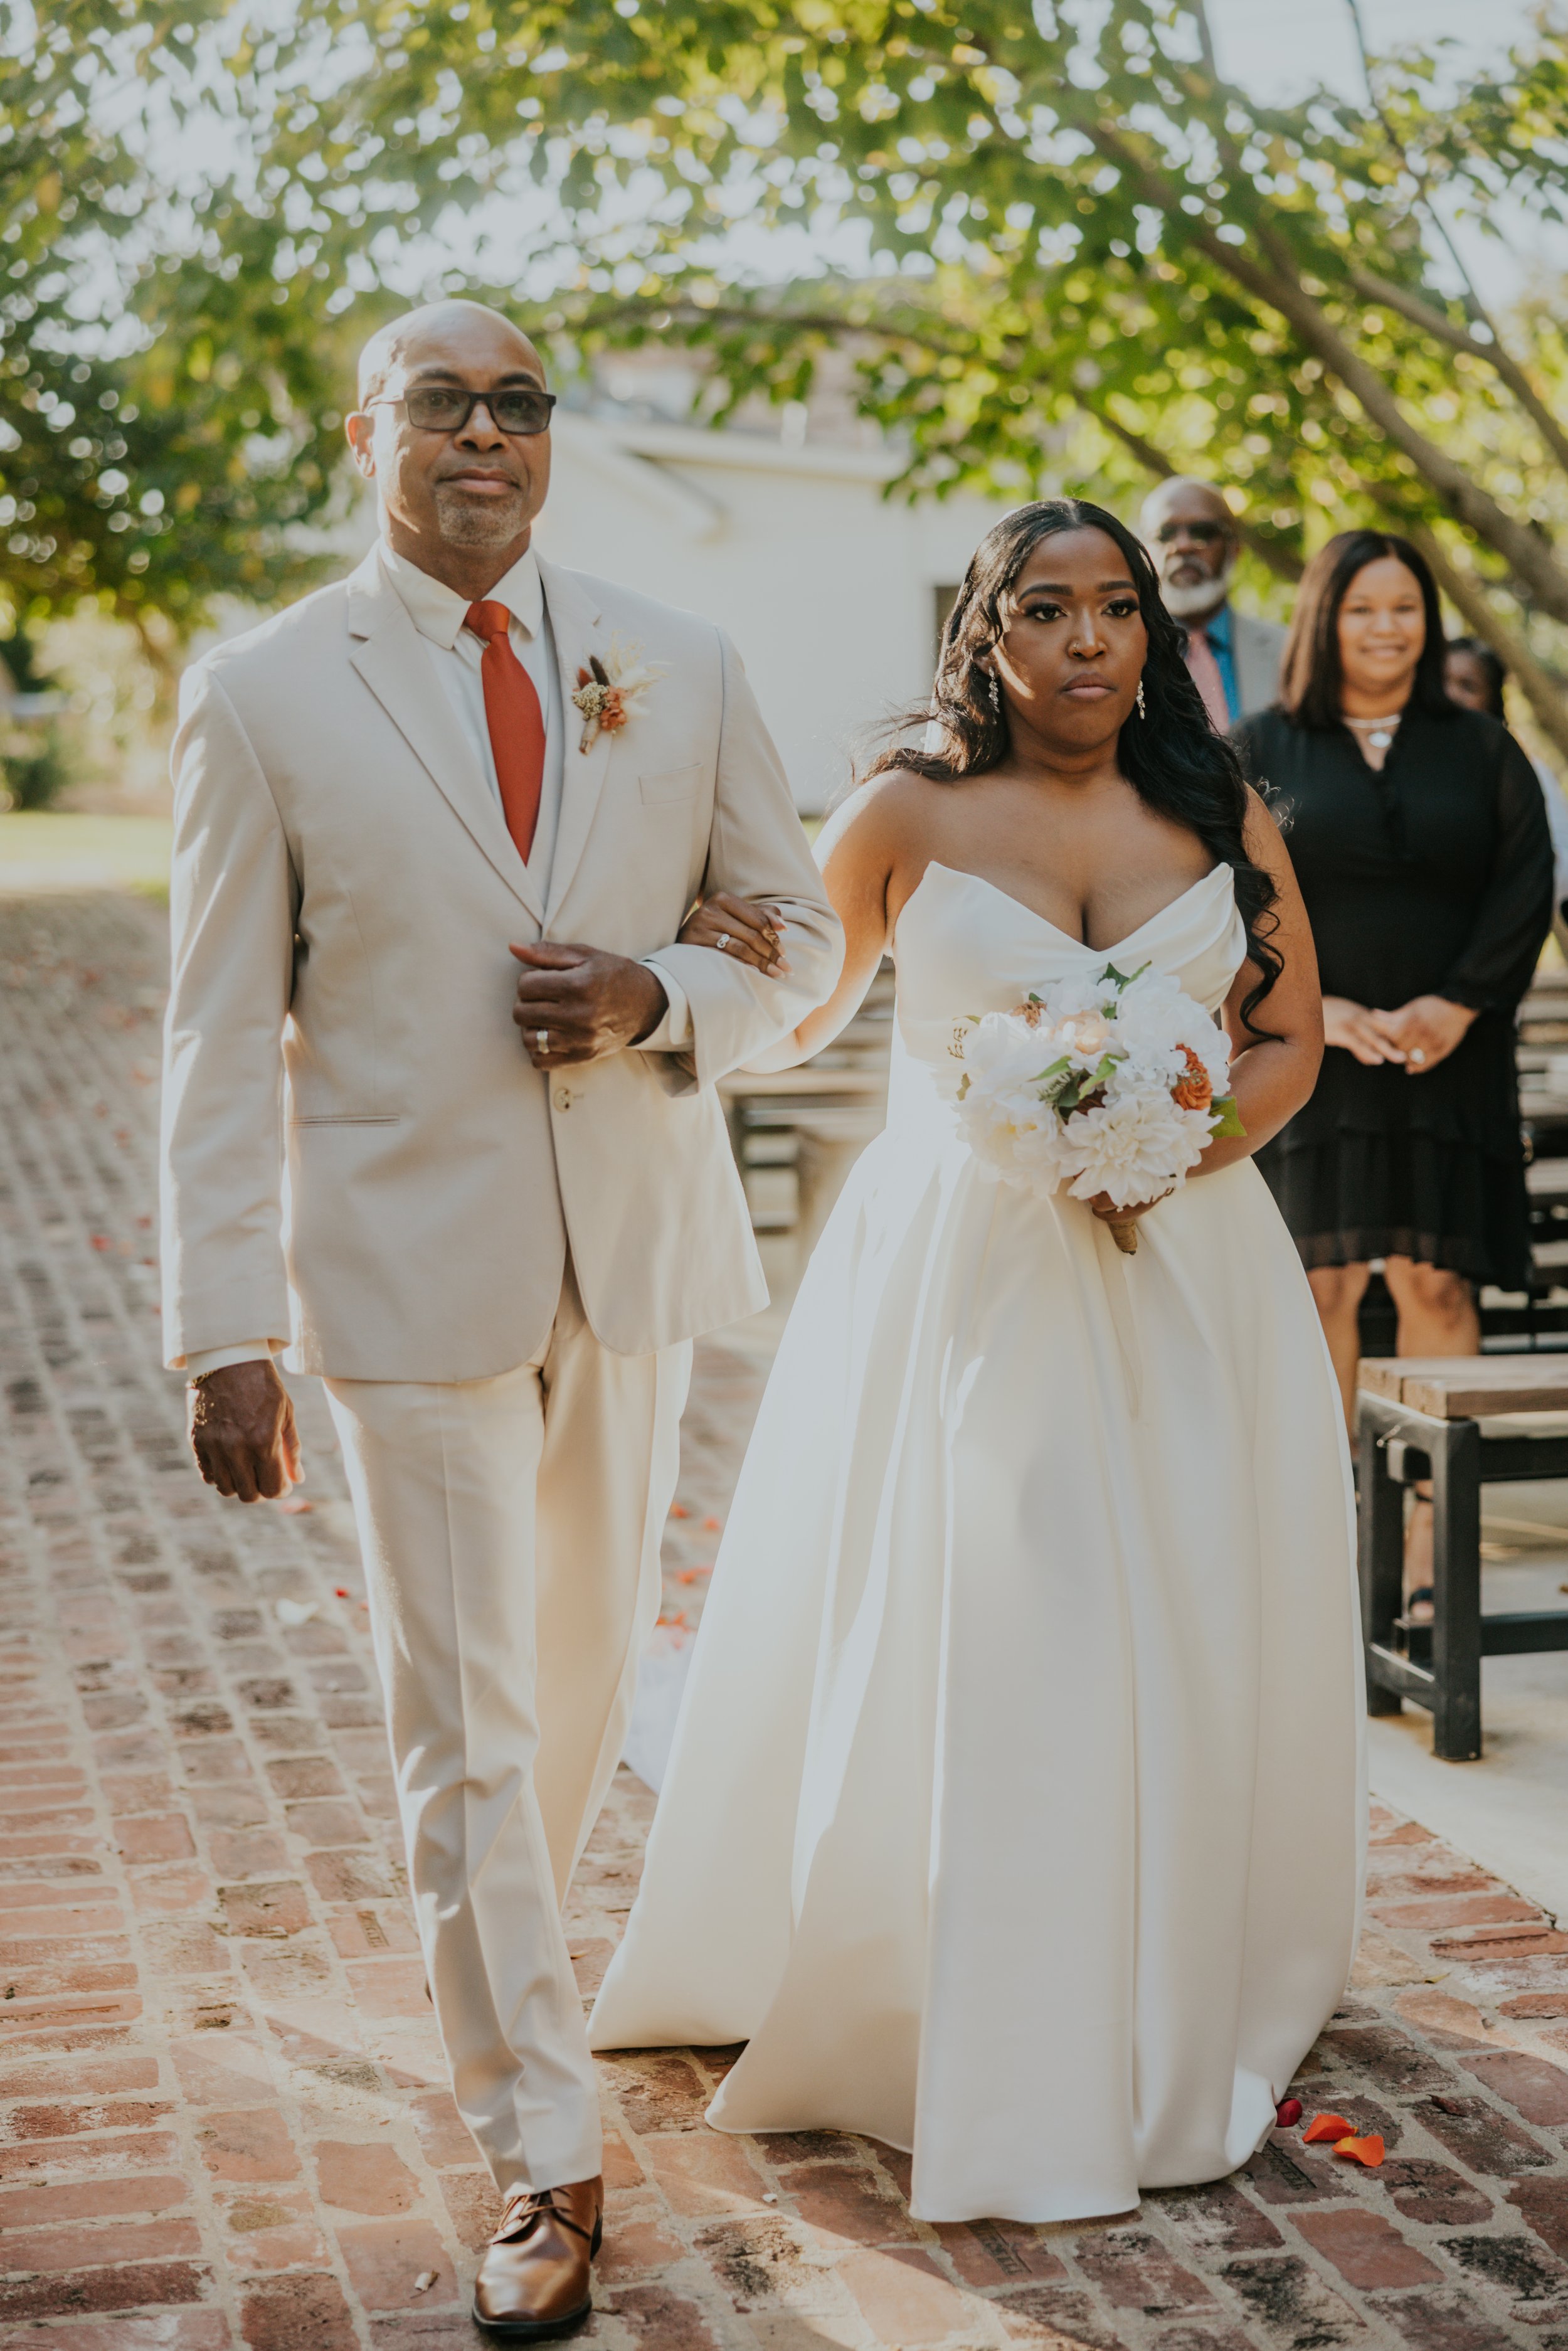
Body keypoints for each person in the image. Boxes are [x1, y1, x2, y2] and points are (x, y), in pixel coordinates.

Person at [159, 299, 842, 2337]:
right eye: (445, 399)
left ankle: (499, 1990)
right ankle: (544, 2144)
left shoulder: (680, 661)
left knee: (559, 1699)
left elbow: (801, 945)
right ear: (365, 429)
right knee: (463, 1720)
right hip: (400, 1267)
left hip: (624, 1251)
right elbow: (210, 1037)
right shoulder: (265, 690)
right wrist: (221, 1326)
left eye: (519, 401)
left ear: (553, 438)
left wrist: (661, 996)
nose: (487, 430)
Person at [588, 499, 1364, 2225]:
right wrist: (661, 977)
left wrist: (1167, 1150)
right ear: (986, 631)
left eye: (1115, 608)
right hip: (967, 1271)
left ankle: (1163, 1964)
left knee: (1171, 1598)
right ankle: (949, 1977)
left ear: (1150, 635)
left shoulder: (1219, 810)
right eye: (1046, 608)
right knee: (1002, 1601)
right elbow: (792, 1004)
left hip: (1182, 1261)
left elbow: (1286, 1033)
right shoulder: (898, 813)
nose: (1087, 639)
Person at [1234, 536, 1553, 1463]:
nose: (1386, 629)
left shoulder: (1484, 748)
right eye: (1362, 609)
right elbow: (1222, 893)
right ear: (1322, 620)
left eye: (1404, 609)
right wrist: (1310, 1013)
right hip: (1304, 1064)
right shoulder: (1258, 747)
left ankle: (1425, 1546)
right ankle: (1330, 1534)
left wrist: (1460, 1004)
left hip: (1448, 1060)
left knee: (1438, 1286)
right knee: (1316, 1286)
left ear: (1430, 621)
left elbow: (1524, 885)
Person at [1446, 635, 1568, 941]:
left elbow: (1556, 872)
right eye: (1440, 681)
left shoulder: (1525, 775)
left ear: (1493, 702)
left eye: (1467, 686)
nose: (1450, 695)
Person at [1140, 476, 1286, 728]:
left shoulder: (1289, 651)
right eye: (1165, 535)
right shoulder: (1123, 653)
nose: (1182, 546)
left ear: (1235, 549)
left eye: (1202, 532)